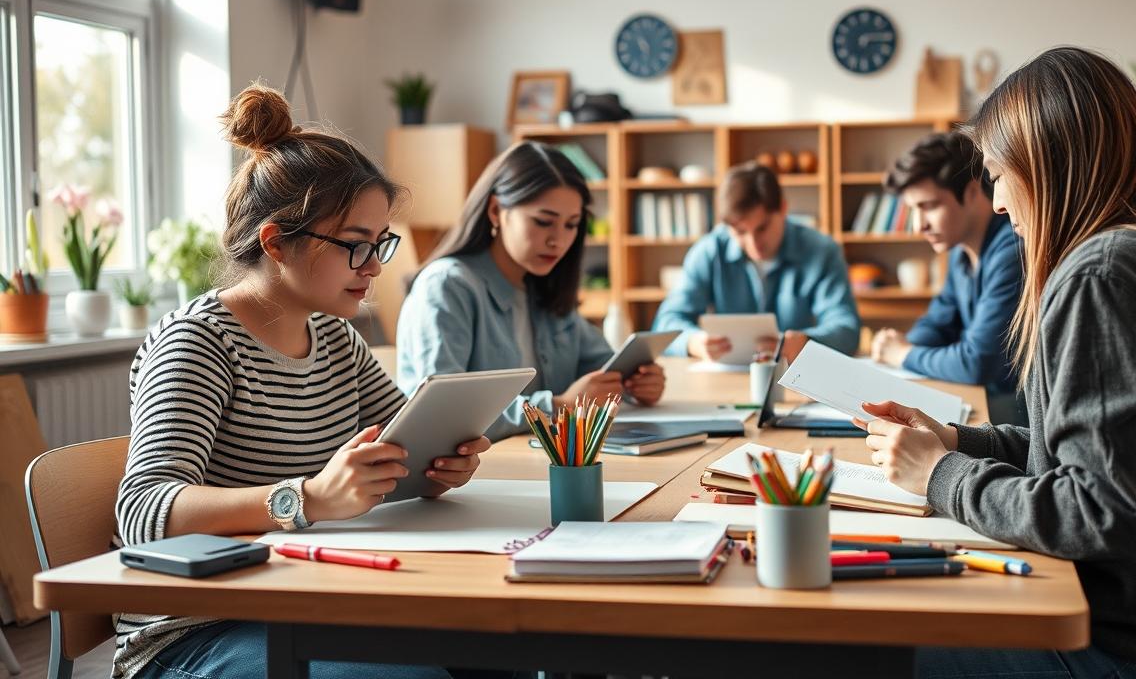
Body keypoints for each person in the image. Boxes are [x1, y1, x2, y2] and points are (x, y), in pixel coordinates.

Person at [858, 48, 1136, 679]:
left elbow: (1104, 515)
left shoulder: (1103, 278)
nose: (996, 202)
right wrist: (955, 439)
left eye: (996, 174)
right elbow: (1084, 456)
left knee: (868, 639)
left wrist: (941, 474)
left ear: (1046, 163)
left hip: (1132, 650)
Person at [117, 84, 477, 679]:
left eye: (380, 244)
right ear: (276, 241)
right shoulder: (198, 343)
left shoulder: (334, 337)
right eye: (356, 246)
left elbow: (397, 439)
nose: (377, 267)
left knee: (511, 655)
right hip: (199, 631)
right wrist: (307, 498)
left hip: (308, 596)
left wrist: (434, 465)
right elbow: (145, 510)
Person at [397, 141, 665, 440]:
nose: (558, 240)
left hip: (540, 458)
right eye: (543, 222)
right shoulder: (447, 285)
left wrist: (636, 384)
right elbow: (440, 412)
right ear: (497, 211)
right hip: (476, 473)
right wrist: (556, 406)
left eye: (572, 225)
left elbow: (602, 366)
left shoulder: (543, 285)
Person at [652, 163, 860, 363]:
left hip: (792, 382)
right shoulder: (709, 251)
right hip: (724, 383)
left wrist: (805, 343)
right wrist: (694, 342)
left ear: (783, 209)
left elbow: (847, 329)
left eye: (762, 228)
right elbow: (665, 324)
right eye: (740, 232)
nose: (753, 244)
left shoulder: (821, 251)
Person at [871, 132, 1023, 402]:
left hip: (1011, 417)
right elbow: (939, 322)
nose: (919, 226)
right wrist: (897, 345)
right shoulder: (960, 250)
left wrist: (903, 354)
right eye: (913, 210)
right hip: (980, 402)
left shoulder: (1012, 251)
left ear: (972, 191)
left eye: (928, 207)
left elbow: (977, 364)